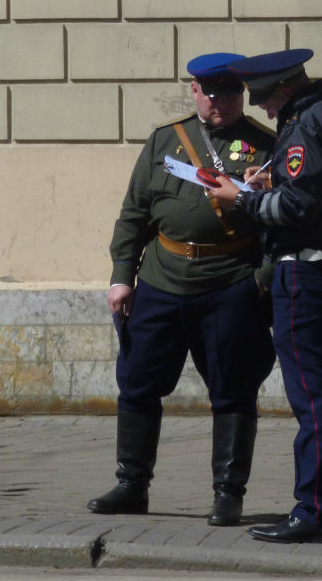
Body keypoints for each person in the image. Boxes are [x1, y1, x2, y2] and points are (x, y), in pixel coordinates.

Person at [89, 53, 277, 526]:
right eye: (212, 93)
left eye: (231, 93)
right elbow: (134, 213)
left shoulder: (266, 146)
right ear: (194, 90)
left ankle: (228, 493)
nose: (222, 102)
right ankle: (132, 485)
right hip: (160, 281)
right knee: (137, 385)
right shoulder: (165, 142)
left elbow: (284, 224)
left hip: (230, 283)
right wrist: (121, 276)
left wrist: (261, 281)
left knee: (233, 391)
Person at [207, 48, 322, 544]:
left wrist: (243, 197)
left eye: (264, 99)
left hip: (303, 273)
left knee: (313, 397)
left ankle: (313, 508)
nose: (262, 109)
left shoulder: (305, 125)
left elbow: (298, 208)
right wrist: (274, 179)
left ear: (284, 88)